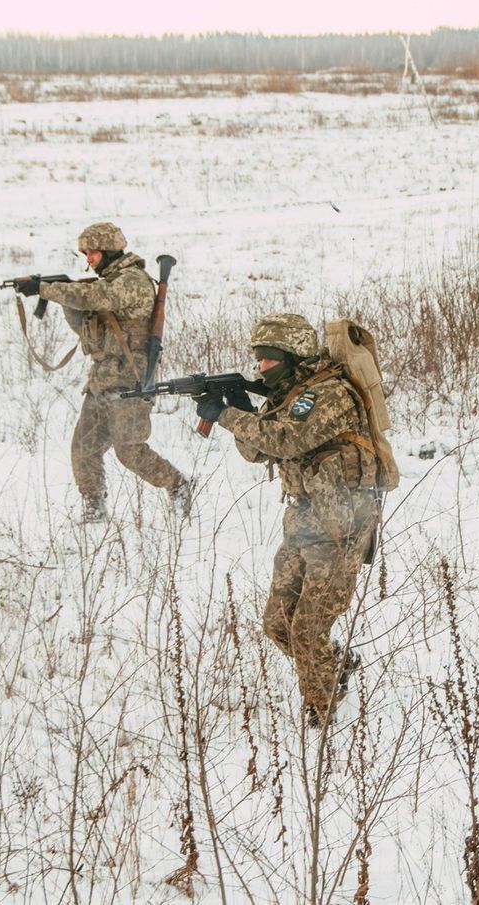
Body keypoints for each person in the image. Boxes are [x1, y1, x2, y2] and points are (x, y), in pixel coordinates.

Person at [198, 313, 382, 727]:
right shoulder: (288, 395)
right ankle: (337, 664)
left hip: (341, 528)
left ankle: (322, 713)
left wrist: (226, 415)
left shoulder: (329, 394)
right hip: (302, 524)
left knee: (307, 628)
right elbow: (258, 451)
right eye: (258, 360)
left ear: (293, 356)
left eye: (269, 359)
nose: (261, 368)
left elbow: (286, 439)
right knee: (278, 624)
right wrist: (243, 409)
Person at [24, 222, 188, 522]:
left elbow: (97, 298)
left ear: (109, 251)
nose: (89, 259)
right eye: (85, 254)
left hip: (132, 381)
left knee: (129, 450)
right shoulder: (107, 284)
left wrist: (46, 289)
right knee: (84, 449)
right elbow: (87, 331)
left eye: (93, 253)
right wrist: (62, 298)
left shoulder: (132, 281)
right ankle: (94, 506)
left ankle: (178, 485)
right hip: (102, 381)